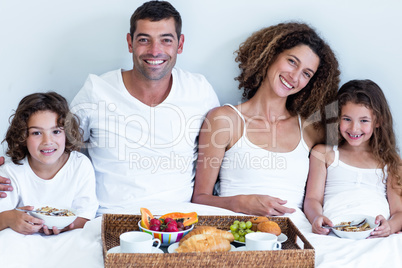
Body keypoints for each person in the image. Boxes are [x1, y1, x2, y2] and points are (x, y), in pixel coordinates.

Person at [67, 1, 219, 214]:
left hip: (181, 222)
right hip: (111, 220)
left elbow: (221, 156)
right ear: (130, 43)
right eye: (144, 40)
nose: (155, 51)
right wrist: (13, 171)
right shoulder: (97, 90)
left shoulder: (199, 91)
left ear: (180, 44)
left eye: (166, 40)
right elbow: (56, 149)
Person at [192, 22, 340, 216]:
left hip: (297, 238)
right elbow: (200, 199)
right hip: (241, 236)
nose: (294, 77)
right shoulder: (224, 120)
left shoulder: (312, 131)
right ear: (271, 55)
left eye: (306, 73)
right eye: (292, 62)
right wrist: (239, 203)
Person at [303, 79, 402, 237]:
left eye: (364, 120)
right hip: (334, 232)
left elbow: (398, 211)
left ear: (378, 121)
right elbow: (312, 199)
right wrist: (316, 217)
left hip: (376, 236)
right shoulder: (323, 154)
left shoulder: (390, 161)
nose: (354, 128)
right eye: (347, 119)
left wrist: (389, 226)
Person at [0, 92, 98, 235]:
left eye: (56, 131)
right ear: (23, 136)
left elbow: (85, 216)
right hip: (21, 241)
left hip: (68, 239)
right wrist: (9, 219)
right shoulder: (11, 171)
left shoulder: (80, 166)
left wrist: (62, 226)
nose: (47, 141)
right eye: (36, 133)